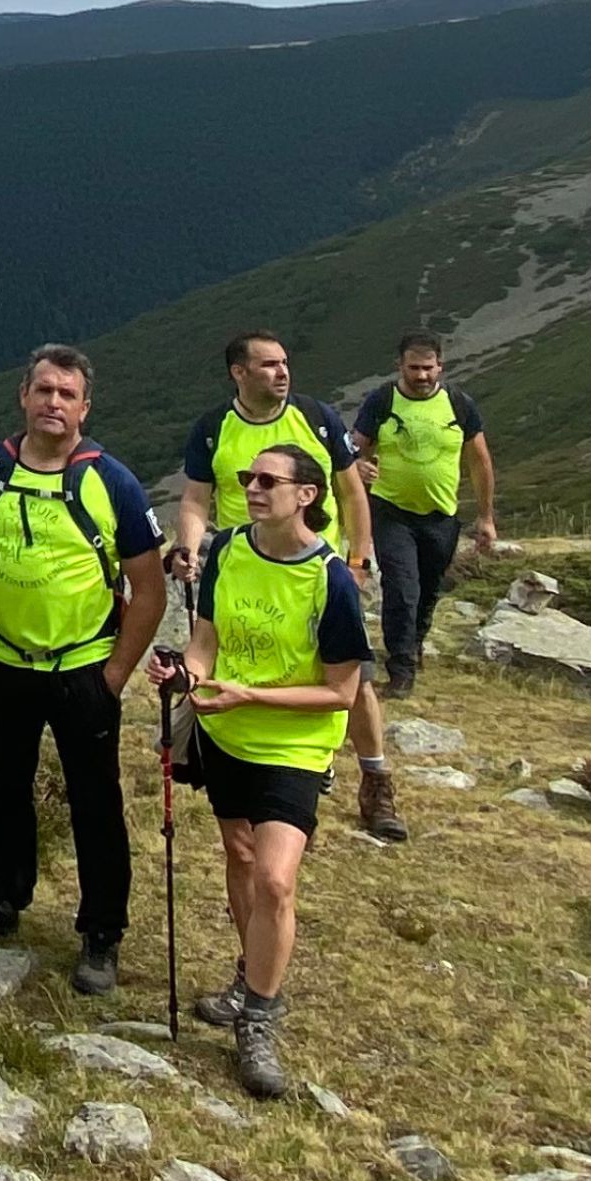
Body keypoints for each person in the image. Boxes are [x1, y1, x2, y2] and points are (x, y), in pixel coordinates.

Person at [0, 344, 166, 996]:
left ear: (85, 407)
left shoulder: (112, 483)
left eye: (67, 395)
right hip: (0, 662)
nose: (54, 404)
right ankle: (2, 898)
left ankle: (101, 933)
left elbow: (147, 590)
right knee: (2, 784)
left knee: (95, 801)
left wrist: (114, 675)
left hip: (82, 669)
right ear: (23, 396)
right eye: (44, 390)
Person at [158, 441, 372, 1098]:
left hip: (296, 745)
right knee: (242, 855)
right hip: (226, 732)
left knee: (277, 880)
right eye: (248, 478)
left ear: (306, 495)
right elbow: (206, 641)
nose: (251, 488)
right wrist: (185, 673)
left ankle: (258, 1017)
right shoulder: (225, 552)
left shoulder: (329, 579)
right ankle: (249, 974)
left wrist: (251, 694)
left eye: (267, 481)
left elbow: (341, 691)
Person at [174, 332, 405, 844]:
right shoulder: (214, 429)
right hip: (244, 567)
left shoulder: (317, 416)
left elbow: (351, 490)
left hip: (316, 574)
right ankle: (253, 766)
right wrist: (188, 549)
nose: (282, 373)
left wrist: (358, 560)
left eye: (285, 364)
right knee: (228, 663)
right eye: (269, 365)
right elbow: (195, 499)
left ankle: (374, 777)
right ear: (239, 372)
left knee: (354, 680)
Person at [347, 334, 496, 699]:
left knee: (428, 591)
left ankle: (414, 645)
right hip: (391, 512)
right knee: (402, 588)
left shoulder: (459, 404)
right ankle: (401, 670)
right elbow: (352, 448)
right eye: (414, 368)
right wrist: (359, 465)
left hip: (442, 516)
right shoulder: (382, 401)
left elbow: (479, 461)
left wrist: (486, 517)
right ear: (401, 367)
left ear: (440, 367)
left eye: (428, 368)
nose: (422, 376)